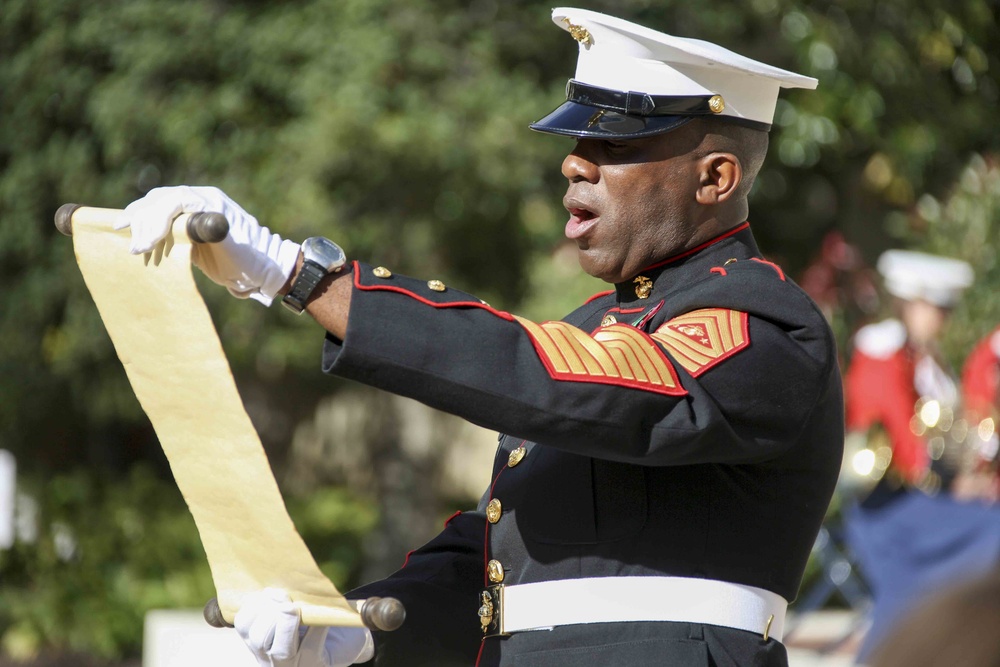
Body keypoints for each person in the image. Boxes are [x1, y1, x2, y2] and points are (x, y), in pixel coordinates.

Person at [120, 8, 843, 667]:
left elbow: (582, 385)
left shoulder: (764, 325)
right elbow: (501, 563)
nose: (574, 161)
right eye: (577, 139)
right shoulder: (589, 331)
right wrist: (352, 628)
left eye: (616, 143)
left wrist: (305, 277)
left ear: (714, 177)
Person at [841, 250, 1000, 662]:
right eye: (939, 308)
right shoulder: (884, 352)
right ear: (912, 303)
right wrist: (958, 483)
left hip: (920, 503)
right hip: (890, 507)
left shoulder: (923, 357)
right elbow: (900, 433)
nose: (944, 319)